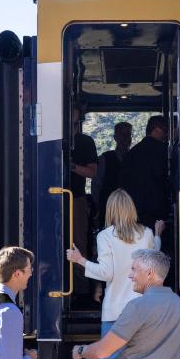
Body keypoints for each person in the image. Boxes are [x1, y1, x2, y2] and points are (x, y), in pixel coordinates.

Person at [66, 189, 163, 359]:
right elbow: (155, 259)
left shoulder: (105, 236)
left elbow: (106, 273)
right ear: (131, 209)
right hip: (142, 311)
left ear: (110, 210)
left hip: (114, 311)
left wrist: (79, 259)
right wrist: (157, 236)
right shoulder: (145, 234)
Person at [119, 114, 170, 232]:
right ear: (156, 129)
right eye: (165, 130)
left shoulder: (132, 153)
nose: (166, 135)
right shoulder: (163, 151)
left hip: (133, 207)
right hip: (156, 206)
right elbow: (163, 178)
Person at [70, 106, 98, 304]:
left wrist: (70, 166)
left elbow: (92, 173)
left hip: (76, 198)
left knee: (78, 242)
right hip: (50, 197)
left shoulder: (85, 141)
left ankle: (80, 291)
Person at [93, 121, 133, 230]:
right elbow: (96, 185)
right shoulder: (104, 158)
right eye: (122, 134)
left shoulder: (136, 158)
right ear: (115, 137)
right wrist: (97, 207)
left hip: (132, 208)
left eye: (128, 134)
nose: (125, 138)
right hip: (108, 207)